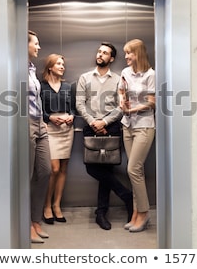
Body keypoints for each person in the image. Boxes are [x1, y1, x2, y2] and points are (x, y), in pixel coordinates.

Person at [75, 42, 133, 230]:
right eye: (99, 51)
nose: (100, 55)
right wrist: (93, 122)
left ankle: (101, 212)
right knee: (93, 169)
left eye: (105, 53)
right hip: (91, 127)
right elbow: (80, 104)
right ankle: (126, 196)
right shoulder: (85, 77)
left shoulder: (118, 79)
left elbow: (121, 105)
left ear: (112, 58)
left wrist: (105, 122)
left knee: (106, 171)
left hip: (111, 128)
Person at [118, 39, 155, 233]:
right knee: (135, 172)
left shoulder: (150, 75)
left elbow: (152, 102)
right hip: (127, 126)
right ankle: (136, 214)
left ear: (138, 53)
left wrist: (133, 110)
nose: (126, 57)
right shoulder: (125, 73)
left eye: (129, 53)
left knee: (133, 169)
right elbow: (121, 91)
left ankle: (144, 212)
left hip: (144, 126)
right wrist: (121, 102)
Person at [40, 54, 75, 224]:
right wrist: (49, 118)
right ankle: (46, 206)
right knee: (53, 169)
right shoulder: (42, 87)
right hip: (51, 130)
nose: (62, 66)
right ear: (50, 67)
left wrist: (71, 117)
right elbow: (38, 110)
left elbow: (74, 108)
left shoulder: (68, 87)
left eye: (63, 63)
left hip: (67, 130)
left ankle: (56, 205)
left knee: (63, 168)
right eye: (58, 63)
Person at [27, 30, 52, 243]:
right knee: (25, 176)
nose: (39, 47)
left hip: (39, 123)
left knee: (45, 171)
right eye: (36, 43)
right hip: (25, 124)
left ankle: (36, 221)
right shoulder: (17, 69)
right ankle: (26, 224)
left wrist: (43, 120)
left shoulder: (32, 69)